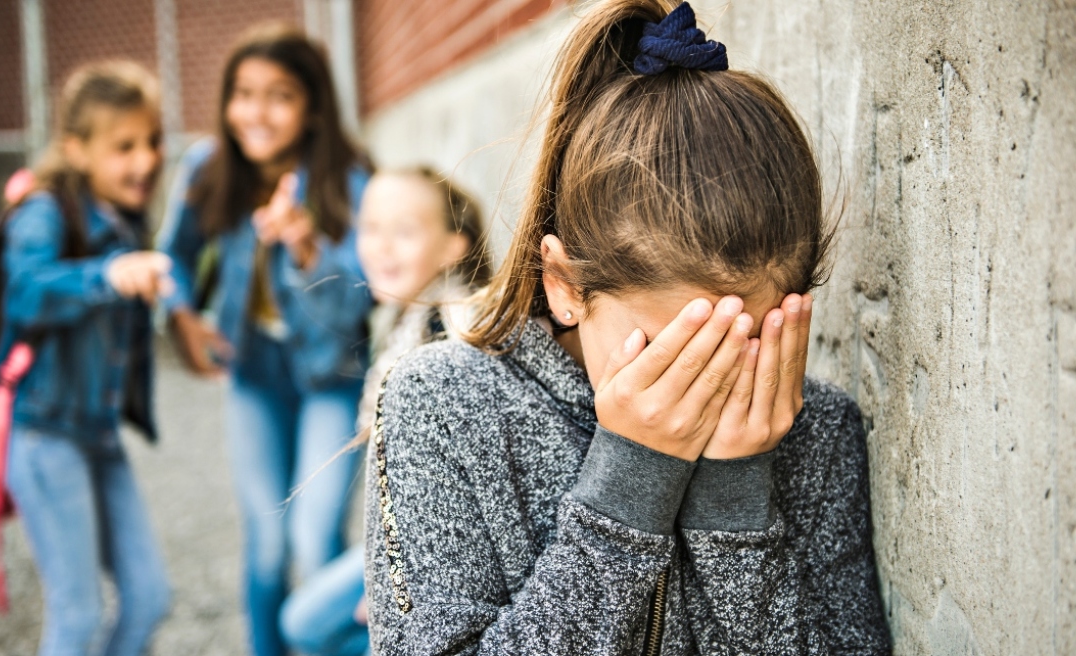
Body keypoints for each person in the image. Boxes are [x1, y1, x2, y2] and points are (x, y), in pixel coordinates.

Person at [362, 1, 892, 654]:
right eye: (674, 352)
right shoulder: (444, 404)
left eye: (746, 343)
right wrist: (628, 488)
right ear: (565, 286)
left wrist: (736, 498)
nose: (709, 382)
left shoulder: (817, 433)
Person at [156, 22, 372, 656]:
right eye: (243, 94)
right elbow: (172, 257)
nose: (257, 112)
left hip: (334, 374)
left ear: (311, 108)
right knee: (268, 544)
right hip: (254, 374)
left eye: (279, 95)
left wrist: (308, 248)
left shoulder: (347, 177)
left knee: (313, 537)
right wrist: (181, 315)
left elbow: (367, 298)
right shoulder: (207, 168)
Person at [280, 167, 491, 655]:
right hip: (405, 542)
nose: (381, 246)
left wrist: (396, 583)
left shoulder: (453, 331)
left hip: (436, 556)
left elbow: (451, 484)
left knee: (309, 627)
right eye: (370, 228)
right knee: (303, 622)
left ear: (452, 247)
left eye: (405, 231)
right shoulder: (408, 317)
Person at [0, 60, 172, 656]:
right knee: (77, 616)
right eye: (124, 146)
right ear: (76, 149)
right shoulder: (45, 211)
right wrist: (108, 273)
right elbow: (23, 293)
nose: (145, 160)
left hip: (98, 436)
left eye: (152, 141)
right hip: (45, 437)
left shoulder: (125, 219)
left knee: (150, 598)